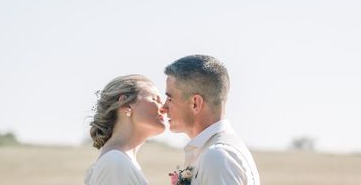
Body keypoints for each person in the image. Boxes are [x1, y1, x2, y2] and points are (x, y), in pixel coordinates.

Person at [162, 55, 260, 185]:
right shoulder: (212, 153)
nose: (163, 108)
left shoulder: (218, 157)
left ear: (195, 103)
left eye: (170, 99)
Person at [85, 74, 167, 185]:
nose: (164, 108)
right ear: (126, 104)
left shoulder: (120, 161)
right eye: (155, 99)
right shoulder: (114, 163)